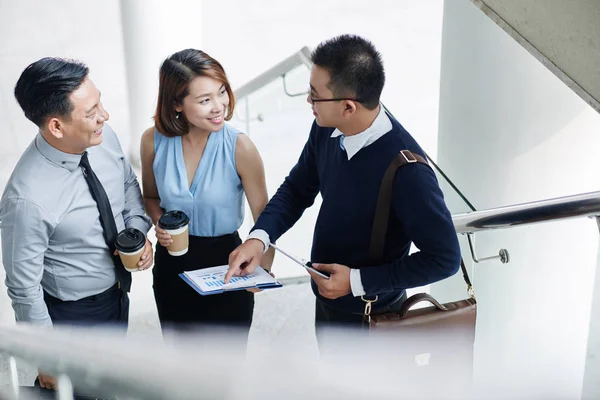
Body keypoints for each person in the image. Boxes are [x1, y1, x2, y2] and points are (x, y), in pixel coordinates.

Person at [227, 34, 461, 344]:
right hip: (329, 302)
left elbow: (444, 259)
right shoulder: (326, 128)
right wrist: (260, 237)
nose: (308, 102)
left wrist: (355, 281)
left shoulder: (409, 171)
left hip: (373, 318)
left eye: (315, 95)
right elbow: (298, 188)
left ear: (348, 107)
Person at [0, 57, 153, 392]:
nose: (105, 116)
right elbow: (24, 288)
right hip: (72, 318)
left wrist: (138, 231)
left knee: (110, 381)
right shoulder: (26, 199)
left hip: (117, 294)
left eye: (100, 103)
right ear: (57, 126)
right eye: (92, 111)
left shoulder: (103, 136)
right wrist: (47, 357)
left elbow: (127, 184)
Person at [140, 48, 274, 335]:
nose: (219, 106)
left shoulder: (240, 147)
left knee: (225, 367)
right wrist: (158, 222)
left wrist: (262, 270)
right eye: (205, 100)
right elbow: (150, 196)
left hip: (228, 264)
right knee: (181, 361)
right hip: (172, 266)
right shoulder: (152, 141)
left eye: (222, 92)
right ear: (177, 104)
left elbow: (265, 216)